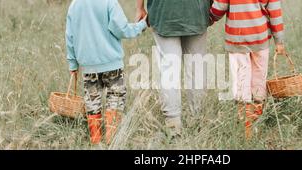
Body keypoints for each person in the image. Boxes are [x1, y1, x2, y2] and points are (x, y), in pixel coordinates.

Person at [66, 0, 147, 144]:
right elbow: (121, 29)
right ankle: (112, 138)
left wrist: (73, 63)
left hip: (88, 66)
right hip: (112, 65)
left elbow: (70, 36)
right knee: (115, 99)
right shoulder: (109, 2)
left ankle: (96, 140)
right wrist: (142, 25)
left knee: (92, 102)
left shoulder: (75, 5)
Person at [210, 0, 286, 140]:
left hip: (237, 38)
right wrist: (279, 41)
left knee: (241, 79)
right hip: (260, 37)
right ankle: (256, 120)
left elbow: (219, 8)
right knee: (259, 78)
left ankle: (245, 125)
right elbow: (275, 12)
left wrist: (209, 18)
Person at [135, 0, 212, 138]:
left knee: (168, 69)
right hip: (197, 11)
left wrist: (139, 8)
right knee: (197, 68)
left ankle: (173, 124)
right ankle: (197, 118)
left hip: (163, 12)